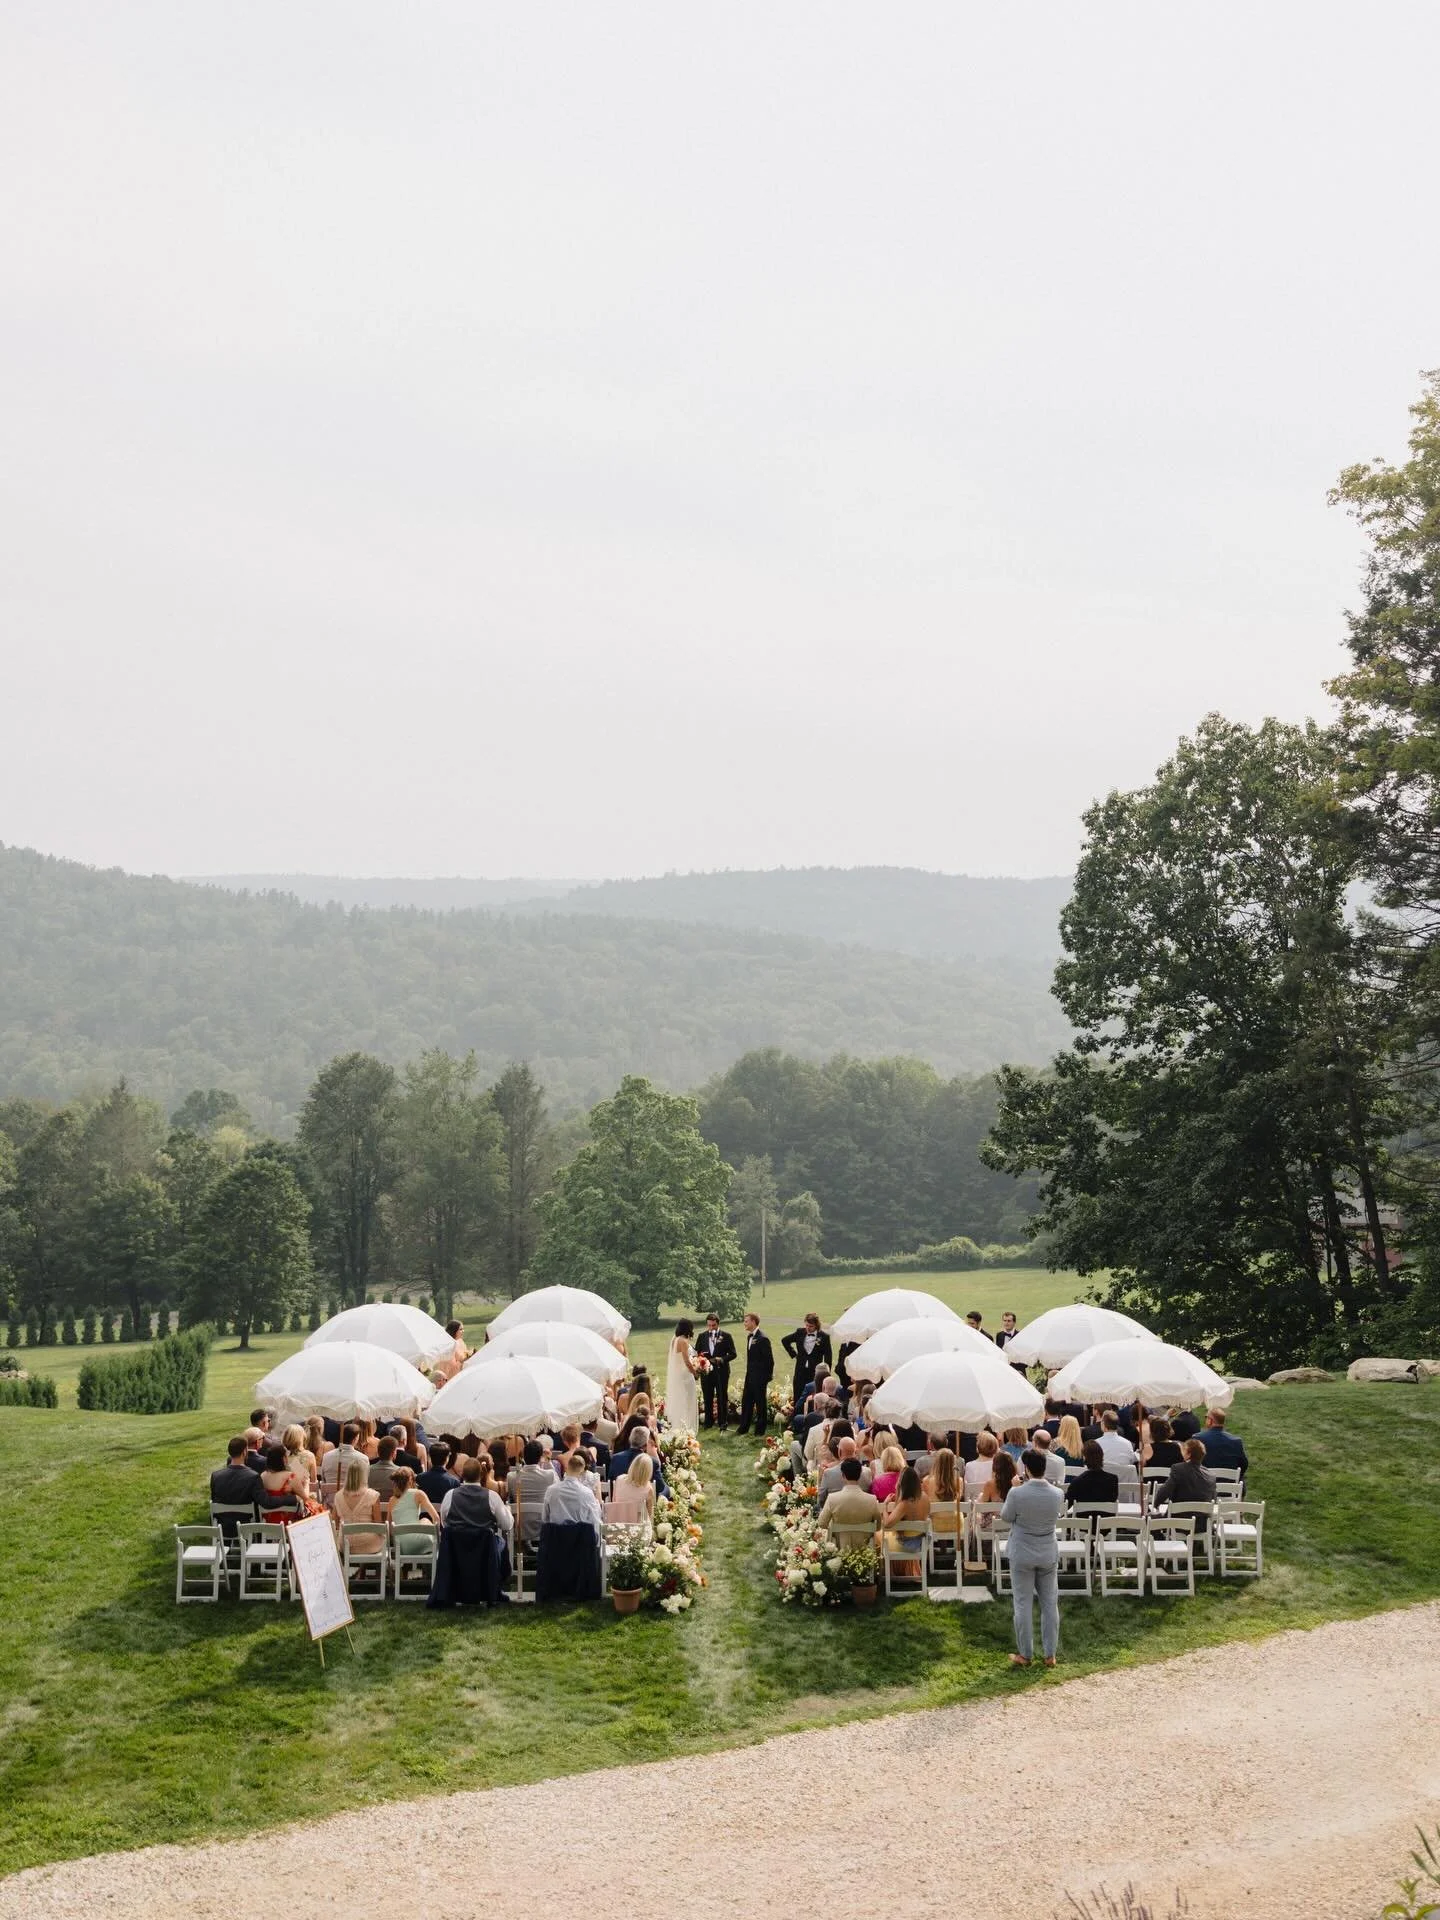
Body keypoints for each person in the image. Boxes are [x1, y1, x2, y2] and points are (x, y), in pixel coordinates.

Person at [1002, 1449, 1064, 1667]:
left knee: (1022, 1604)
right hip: (1047, 1551)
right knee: (1050, 1604)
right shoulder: (1057, 1493)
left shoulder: (1016, 1493)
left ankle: (1025, 1654)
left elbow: (1006, 1516)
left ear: (1026, 1469)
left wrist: (1014, 1488)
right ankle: (1050, 1655)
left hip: (1022, 1552)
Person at [441, 1456, 514, 1539]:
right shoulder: (492, 1497)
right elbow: (507, 1525)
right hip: (486, 1550)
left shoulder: (450, 1495)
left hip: (455, 1549)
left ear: (463, 1475)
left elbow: (444, 1523)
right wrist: (507, 1510)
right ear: (481, 1475)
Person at [880, 1464, 931, 1581]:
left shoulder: (905, 1504)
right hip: (922, 1541)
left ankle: (889, 1573)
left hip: (907, 1545)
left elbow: (887, 1524)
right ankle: (907, 1570)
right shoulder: (924, 1497)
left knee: (879, 1534)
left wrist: (885, 1505)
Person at [541, 1450, 604, 1538]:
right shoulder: (587, 1493)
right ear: (582, 1469)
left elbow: (545, 1519)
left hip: (556, 1541)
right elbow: (594, 1521)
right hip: (579, 1543)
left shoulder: (551, 1490)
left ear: (567, 1468)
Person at [817, 1456, 883, 1536]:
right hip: (865, 1545)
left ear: (843, 1475)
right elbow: (878, 1526)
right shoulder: (872, 1500)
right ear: (859, 1475)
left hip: (839, 1545)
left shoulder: (832, 1499)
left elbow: (822, 1523)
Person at [332, 1460, 384, 1553]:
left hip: (346, 1544)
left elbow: (334, 1523)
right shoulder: (373, 1495)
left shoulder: (338, 1496)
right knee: (382, 1536)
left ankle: (362, 1567)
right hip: (369, 1543)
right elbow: (378, 1524)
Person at [696, 1313, 737, 1429]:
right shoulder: (702, 1336)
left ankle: (722, 1422)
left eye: (713, 1325)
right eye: (709, 1325)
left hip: (722, 1372)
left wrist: (722, 1359)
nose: (711, 1328)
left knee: (722, 1396)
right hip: (706, 1372)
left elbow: (733, 1354)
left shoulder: (726, 1336)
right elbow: (697, 1353)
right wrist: (701, 1363)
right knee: (707, 1396)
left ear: (718, 1324)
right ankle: (708, 1422)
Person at [781, 1314, 833, 1406]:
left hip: (815, 1373)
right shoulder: (800, 1332)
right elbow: (785, 1340)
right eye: (807, 1325)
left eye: (811, 1326)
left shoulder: (824, 1337)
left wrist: (826, 1374)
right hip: (800, 1371)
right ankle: (797, 1416)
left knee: (814, 1397)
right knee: (798, 1395)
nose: (808, 1328)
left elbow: (828, 1357)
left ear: (816, 1326)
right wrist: (794, 1354)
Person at [1156, 1436, 1218, 1511]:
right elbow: (1214, 1500)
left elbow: (1164, 1492)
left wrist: (1156, 1504)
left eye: (1183, 1450)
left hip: (1179, 1518)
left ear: (1188, 1454)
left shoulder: (1178, 1469)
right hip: (1202, 1520)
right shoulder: (1211, 1475)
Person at [386, 1466, 441, 1550]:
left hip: (401, 1546)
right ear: (410, 1480)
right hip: (419, 1542)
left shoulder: (391, 1500)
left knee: (422, 1521)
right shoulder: (418, 1494)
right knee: (425, 1520)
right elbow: (436, 1518)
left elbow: (389, 1527)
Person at [737, 1313, 774, 1435]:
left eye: (746, 1321)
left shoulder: (763, 1338)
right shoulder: (749, 1337)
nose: (744, 1323)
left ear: (753, 1322)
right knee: (746, 1401)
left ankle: (760, 1430)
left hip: (760, 1378)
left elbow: (769, 1360)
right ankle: (744, 1427)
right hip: (750, 1376)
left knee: (760, 1403)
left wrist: (766, 1378)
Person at [666, 1319, 704, 1433]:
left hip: (679, 1374)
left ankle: (680, 1426)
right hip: (685, 1375)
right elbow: (687, 1361)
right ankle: (688, 1427)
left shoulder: (675, 1339)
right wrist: (695, 1372)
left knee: (681, 1399)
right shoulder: (683, 1341)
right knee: (689, 1400)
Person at [318, 1423, 367, 1504]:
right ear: (355, 1439)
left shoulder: (327, 1456)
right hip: (353, 1504)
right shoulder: (363, 1458)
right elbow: (364, 1483)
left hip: (330, 1502)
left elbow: (324, 1479)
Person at [210, 1436, 261, 1511]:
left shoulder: (215, 1476)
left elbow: (214, 1500)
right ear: (244, 1452)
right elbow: (262, 1501)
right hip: (247, 1521)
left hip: (222, 1520)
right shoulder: (253, 1477)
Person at [1065, 1441, 1120, 1508]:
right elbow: (1112, 1501)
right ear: (1102, 1456)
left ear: (1084, 1458)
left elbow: (1067, 1505)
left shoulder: (1077, 1481)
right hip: (1105, 1517)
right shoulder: (1113, 1480)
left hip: (1083, 1517)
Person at [609, 1452, 656, 1525]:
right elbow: (649, 1515)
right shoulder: (648, 1489)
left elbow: (614, 1501)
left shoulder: (619, 1479)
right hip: (637, 1528)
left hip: (618, 1524)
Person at [1198, 1409, 1249, 1474]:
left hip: (1205, 1481)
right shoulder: (1236, 1441)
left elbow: (1191, 1463)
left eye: (1206, 1417)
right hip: (1230, 1482)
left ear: (1210, 1421)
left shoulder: (1198, 1438)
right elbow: (1244, 1464)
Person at [417, 1440, 461, 1506]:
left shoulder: (419, 1478)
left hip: (423, 1515)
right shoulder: (454, 1482)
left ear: (430, 1458)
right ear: (447, 1459)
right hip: (444, 1515)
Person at [964, 1431, 999, 1500]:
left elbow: (966, 1490)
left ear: (977, 1448)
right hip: (994, 1506)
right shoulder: (998, 1465)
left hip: (974, 1506)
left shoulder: (969, 1466)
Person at [368, 1434, 400, 1502]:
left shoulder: (367, 1470)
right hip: (393, 1510)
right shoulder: (400, 1473)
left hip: (371, 1510)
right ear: (393, 1453)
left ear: (378, 1452)